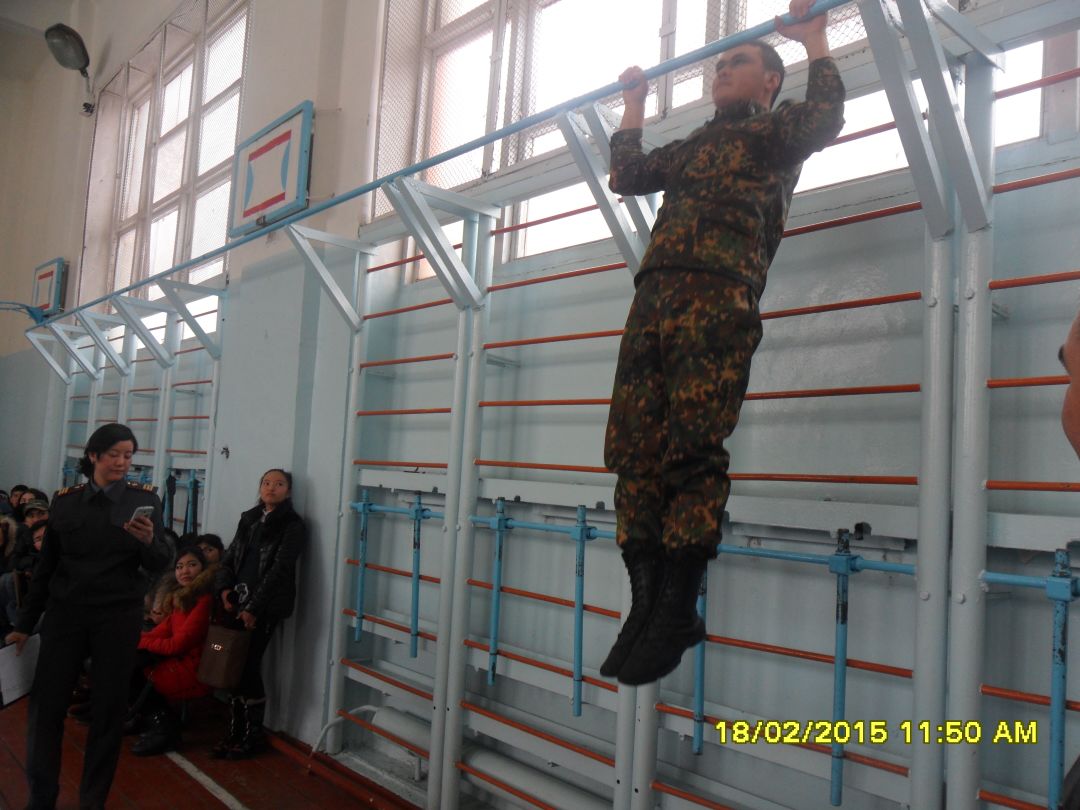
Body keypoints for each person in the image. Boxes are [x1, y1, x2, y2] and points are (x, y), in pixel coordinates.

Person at [600, 0, 846, 686]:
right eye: (719, 65)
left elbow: (825, 118)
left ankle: (678, 605)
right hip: (654, 297)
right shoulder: (692, 147)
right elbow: (626, 175)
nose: (722, 70)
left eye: (737, 62)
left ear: (770, 80)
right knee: (632, 450)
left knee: (692, 449)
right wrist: (634, 103)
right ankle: (647, 604)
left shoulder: (773, 133)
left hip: (716, 296)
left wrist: (815, 39)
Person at [5, 423, 170, 810]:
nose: (122, 462)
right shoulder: (66, 502)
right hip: (67, 616)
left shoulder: (144, 500)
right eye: (114, 454)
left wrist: (149, 542)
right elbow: (47, 568)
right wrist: (24, 625)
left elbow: (161, 562)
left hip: (117, 618)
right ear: (93, 456)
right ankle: (41, 798)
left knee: (108, 713)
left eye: (128, 455)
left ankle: (92, 801)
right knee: (46, 708)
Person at [213, 468, 305, 759]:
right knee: (232, 663)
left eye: (279, 484)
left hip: (264, 607)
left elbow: (279, 570)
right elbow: (230, 557)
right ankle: (234, 731)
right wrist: (223, 589)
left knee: (249, 665)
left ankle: (252, 735)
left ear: (288, 491)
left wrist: (253, 608)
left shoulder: (292, 525)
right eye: (266, 482)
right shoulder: (249, 518)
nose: (271, 488)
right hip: (236, 601)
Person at [129, 545, 215, 756]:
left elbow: (177, 644)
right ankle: (146, 718)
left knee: (132, 669)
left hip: (196, 666)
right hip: (178, 659)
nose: (185, 571)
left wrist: (140, 643)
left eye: (192, 565)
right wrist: (133, 640)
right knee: (125, 661)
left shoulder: (204, 601)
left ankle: (165, 728)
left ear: (203, 569)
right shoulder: (182, 598)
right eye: (179, 566)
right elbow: (160, 632)